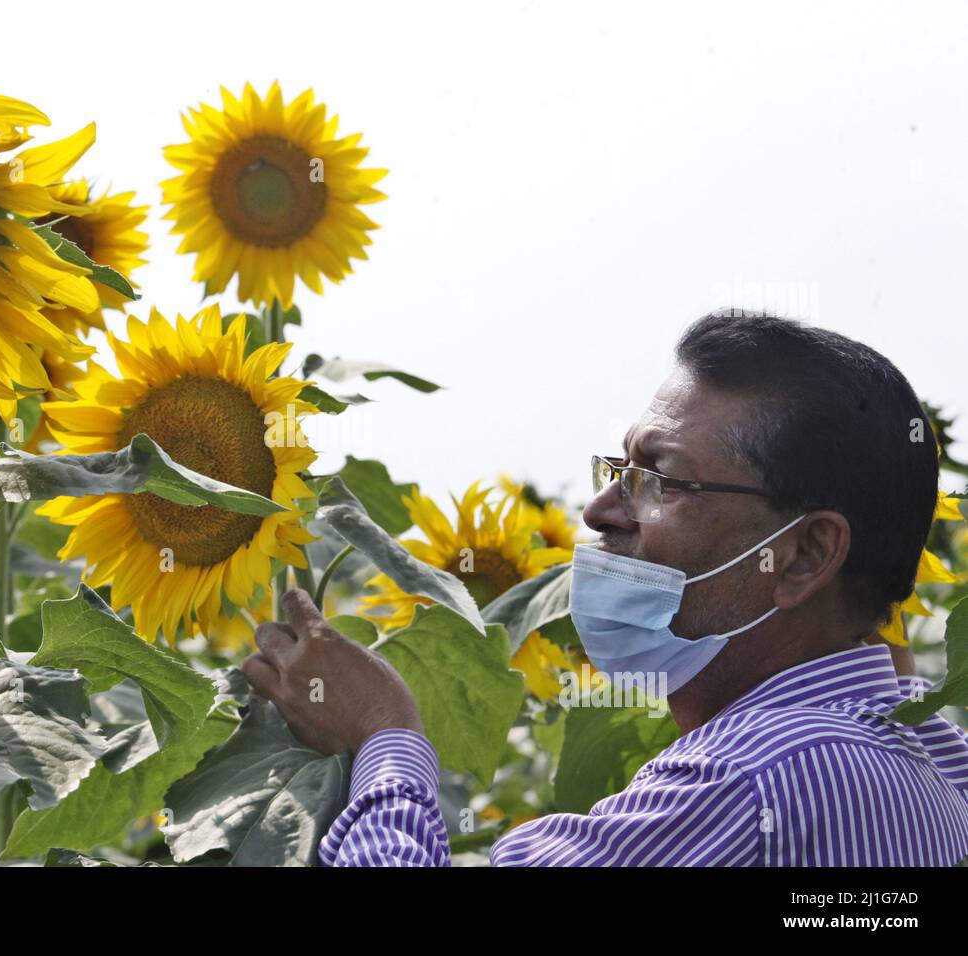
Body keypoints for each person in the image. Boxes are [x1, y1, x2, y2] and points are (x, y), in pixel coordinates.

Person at [242, 310, 968, 866]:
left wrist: (383, 736)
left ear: (807, 556)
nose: (600, 510)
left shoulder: (754, 780)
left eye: (662, 480)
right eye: (618, 470)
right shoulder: (940, 751)